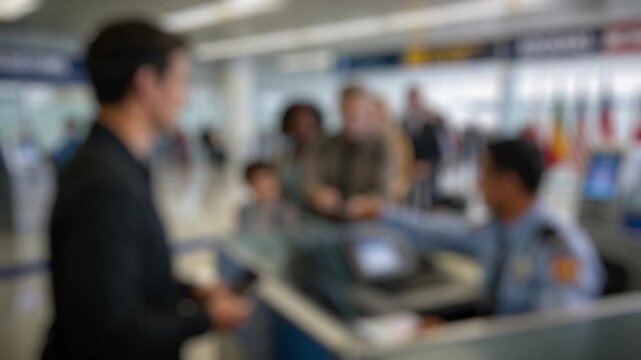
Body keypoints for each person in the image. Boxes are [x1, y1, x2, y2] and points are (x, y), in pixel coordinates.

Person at [44, 20, 251, 360]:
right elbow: (110, 332)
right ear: (146, 84)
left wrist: (193, 291)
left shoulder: (117, 164)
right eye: (180, 81)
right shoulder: (105, 184)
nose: (184, 98)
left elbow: (121, 277)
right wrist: (207, 319)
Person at [381, 139, 604, 315]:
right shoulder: (498, 230)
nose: (478, 184)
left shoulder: (558, 247)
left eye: (485, 174)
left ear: (509, 183)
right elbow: (441, 232)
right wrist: (383, 213)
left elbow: (556, 336)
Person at [306, 85, 389, 221]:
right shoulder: (325, 144)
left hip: (369, 222)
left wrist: (368, 202)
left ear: (368, 111)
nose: (353, 115)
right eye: (348, 110)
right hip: (328, 220)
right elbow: (311, 179)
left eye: (357, 110)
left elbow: (386, 189)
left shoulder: (382, 147)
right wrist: (319, 192)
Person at [402, 87, 445, 208]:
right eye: (412, 100)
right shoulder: (402, 126)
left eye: (416, 100)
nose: (414, 104)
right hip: (407, 179)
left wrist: (427, 166)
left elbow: (437, 154)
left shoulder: (430, 127)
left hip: (426, 182)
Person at [277, 102, 325, 207]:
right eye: (295, 123)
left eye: (307, 124)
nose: (301, 128)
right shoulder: (282, 156)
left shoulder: (326, 153)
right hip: (288, 211)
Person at [372, 96, 414, 202]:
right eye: (374, 117)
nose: (378, 122)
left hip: (391, 199)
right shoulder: (365, 142)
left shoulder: (399, 141)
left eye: (381, 117)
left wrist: (394, 192)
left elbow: (405, 174)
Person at [239, 161, 299, 232]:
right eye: (263, 178)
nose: (271, 183)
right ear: (251, 184)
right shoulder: (246, 212)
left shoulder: (288, 210)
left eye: (272, 177)